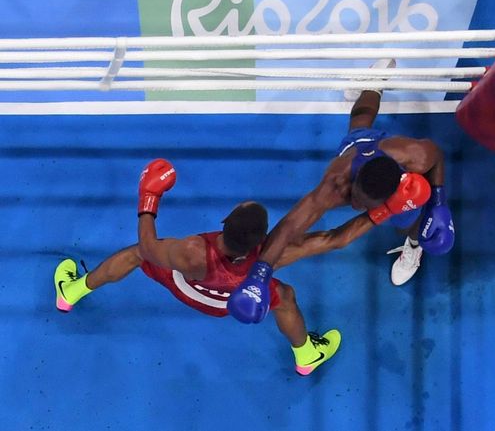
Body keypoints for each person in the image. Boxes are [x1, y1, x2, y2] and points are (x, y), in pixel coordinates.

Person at [53, 159, 374, 376]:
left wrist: (148, 198)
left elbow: (149, 247)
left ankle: (70, 292)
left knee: (136, 254)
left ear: (224, 221)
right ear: (262, 238)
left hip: (184, 284)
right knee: (285, 296)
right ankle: (306, 355)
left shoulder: (193, 252)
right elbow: (334, 239)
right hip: (227, 303)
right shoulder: (272, 256)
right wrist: (385, 210)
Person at [228, 59, 456, 326]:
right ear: (355, 182)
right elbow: (292, 225)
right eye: (356, 199)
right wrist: (260, 272)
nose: (357, 206)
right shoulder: (335, 186)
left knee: (406, 222)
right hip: (357, 152)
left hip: (384, 159)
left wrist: (438, 202)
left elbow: (437, 154)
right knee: (359, 123)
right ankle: (373, 84)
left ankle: (414, 245)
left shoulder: (414, 156)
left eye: (364, 203)